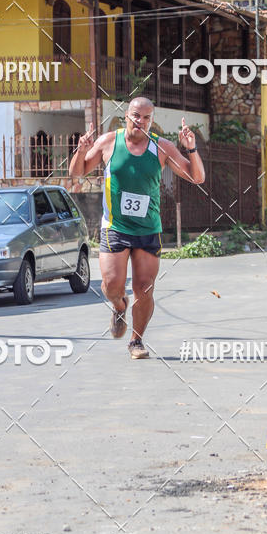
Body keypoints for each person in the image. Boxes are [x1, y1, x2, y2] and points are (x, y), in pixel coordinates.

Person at [69, 97, 205, 359]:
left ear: (151, 121)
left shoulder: (161, 148)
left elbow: (196, 177)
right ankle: (119, 306)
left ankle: (136, 341)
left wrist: (191, 148)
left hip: (147, 230)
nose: (139, 121)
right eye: (135, 115)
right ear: (127, 116)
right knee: (111, 286)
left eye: (145, 117)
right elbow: (78, 172)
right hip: (115, 228)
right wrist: (80, 150)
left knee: (144, 288)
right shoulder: (109, 142)